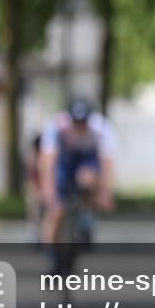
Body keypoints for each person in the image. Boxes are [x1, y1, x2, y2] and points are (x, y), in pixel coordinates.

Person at [39, 98, 116, 267]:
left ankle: (86, 219)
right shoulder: (57, 127)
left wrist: (105, 193)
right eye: (76, 122)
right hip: (65, 160)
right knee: (56, 212)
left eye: (83, 122)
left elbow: (107, 164)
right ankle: (54, 257)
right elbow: (48, 162)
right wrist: (48, 191)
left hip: (87, 158)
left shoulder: (101, 128)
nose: (80, 127)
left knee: (87, 178)